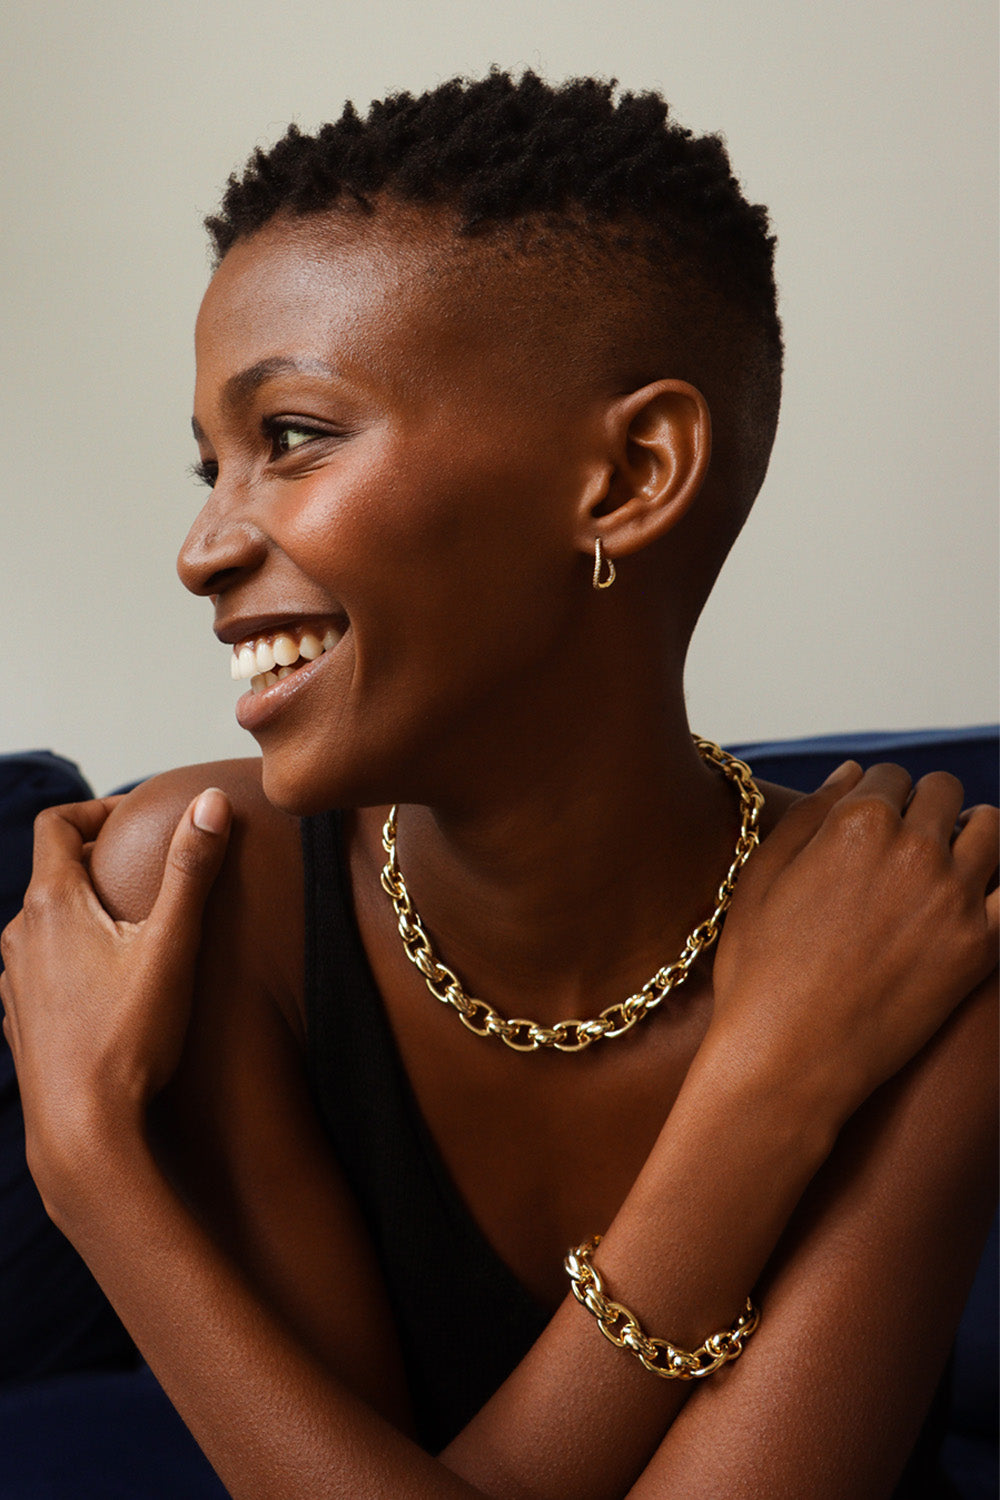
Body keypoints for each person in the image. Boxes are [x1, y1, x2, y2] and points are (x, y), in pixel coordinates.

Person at [1, 71, 996, 1500]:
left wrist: (102, 1173)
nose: (202, 548)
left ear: (630, 474)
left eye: (291, 437)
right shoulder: (200, 888)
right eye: (210, 464)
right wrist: (88, 1164)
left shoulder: (915, 936)